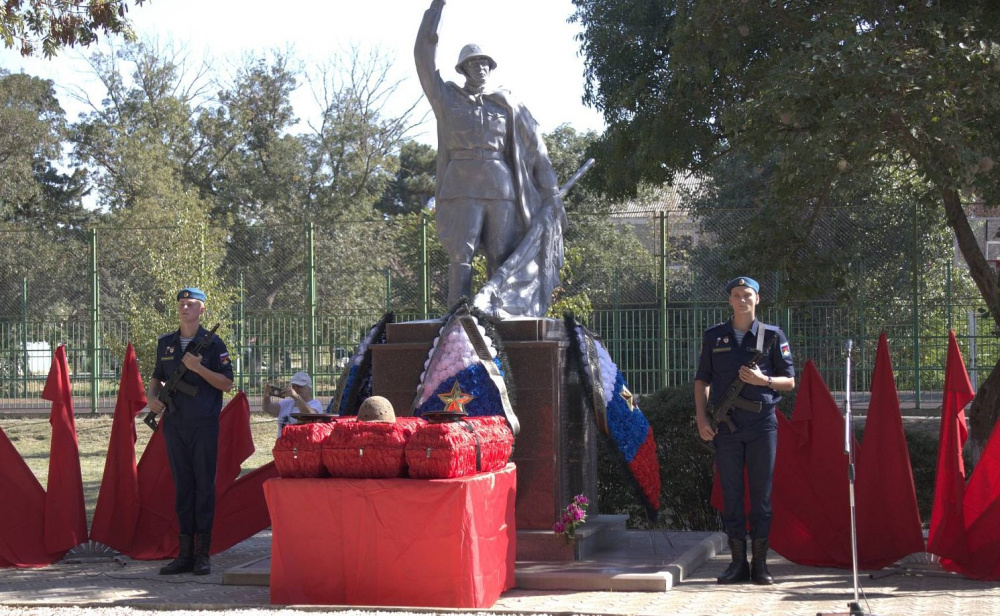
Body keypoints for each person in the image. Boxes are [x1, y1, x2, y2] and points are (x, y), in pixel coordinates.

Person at [415, 0, 566, 317]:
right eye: (474, 63)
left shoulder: (506, 103)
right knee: (462, 253)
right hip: (462, 183)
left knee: (502, 253)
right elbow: (423, 60)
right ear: (464, 68)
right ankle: (458, 317)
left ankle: (500, 313)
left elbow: (536, 147)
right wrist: (436, 10)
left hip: (500, 185)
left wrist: (550, 190)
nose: (480, 67)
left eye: (485, 63)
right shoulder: (446, 99)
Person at [694, 276, 795, 585]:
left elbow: (790, 382)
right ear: (730, 301)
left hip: (762, 424)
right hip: (726, 428)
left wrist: (763, 380)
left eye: (747, 295)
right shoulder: (715, 337)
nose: (742, 300)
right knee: (733, 495)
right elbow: (702, 380)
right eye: (736, 295)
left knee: (761, 496)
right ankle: (738, 564)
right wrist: (702, 419)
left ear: (757, 299)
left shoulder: (773, 336)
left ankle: (761, 565)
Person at [147, 287, 234, 577]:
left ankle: (202, 555)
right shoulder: (166, 343)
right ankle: (184, 554)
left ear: (202, 310)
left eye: (192, 304)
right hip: (174, 424)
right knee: (183, 488)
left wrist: (198, 369)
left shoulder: (213, 344)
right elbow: (157, 377)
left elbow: (226, 383)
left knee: (203, 488)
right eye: (182, 304)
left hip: (204, 425)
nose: (186, 308)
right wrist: (151, 397)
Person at [263, 371, 324, 437]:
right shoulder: (286, 403)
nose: (296, 389)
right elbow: (268, 408)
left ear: (309, 388)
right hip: (283, 444)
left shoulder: (315, 404)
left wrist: (297, 398)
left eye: (299, 387)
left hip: (302, 444)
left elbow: (310, 416)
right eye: (293, 386)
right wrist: (266, 395)